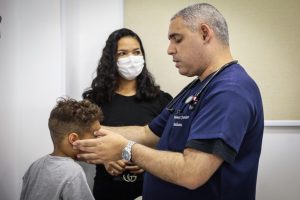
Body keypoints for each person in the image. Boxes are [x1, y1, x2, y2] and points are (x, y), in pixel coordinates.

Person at [73, 3, 264, 200]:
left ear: (205, 33)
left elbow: (192, 172)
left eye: (177, 39)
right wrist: (90, 130)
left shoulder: (229, 91)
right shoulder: (197, 87)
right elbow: (148, 133)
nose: (169, 50)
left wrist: (126, 149)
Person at [82, 28, 172, 200]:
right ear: (111, 59)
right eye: (123, 53)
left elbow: (172, 142)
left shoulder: (162, 100)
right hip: (108, 189)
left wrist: (148, 160)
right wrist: (105, 159)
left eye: (136, 52)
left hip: (151, 188)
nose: (131, 59)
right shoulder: (94, 100)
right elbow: (81, 142)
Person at [20, 97, 103, 200]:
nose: (99, 139)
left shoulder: (35, 166)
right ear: (73, 139)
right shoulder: (73, 172)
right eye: (95, 135)